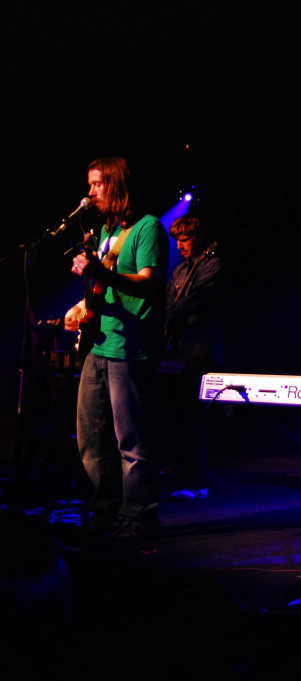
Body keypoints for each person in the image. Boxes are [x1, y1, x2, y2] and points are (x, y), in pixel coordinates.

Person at [64, 157, 168, 540]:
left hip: (130, 347)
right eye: (90, 184)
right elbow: (104, 285)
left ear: (117, 185)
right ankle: (105, 512)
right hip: (99, 343)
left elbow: (148, 282)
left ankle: (138, 519)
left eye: (97, 184)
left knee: (132, 441)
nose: (90, 192)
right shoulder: (107, 231)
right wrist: (81, 305)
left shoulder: (148, 227)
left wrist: (100, 272)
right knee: (91, 438)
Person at [161, 213, 224, 499]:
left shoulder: (213, 265)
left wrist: (167, 315)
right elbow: (168, 301)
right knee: (176, 415)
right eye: (177, 240)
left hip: (201, 350)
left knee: (194, 418)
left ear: (199, 238)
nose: (180, 245)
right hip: (177, 351)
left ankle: (197, 481)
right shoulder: (179, 271)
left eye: (185, 239)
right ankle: (181, 474)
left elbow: (196, 300)